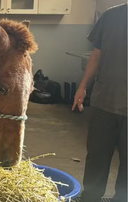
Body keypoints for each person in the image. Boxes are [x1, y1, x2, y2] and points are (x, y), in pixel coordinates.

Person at [72, 3, 127, 202]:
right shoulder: (111, 16)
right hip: (105, 101)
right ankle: (90, 198)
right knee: (97, 157)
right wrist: (83, 86)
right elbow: (97, 54)